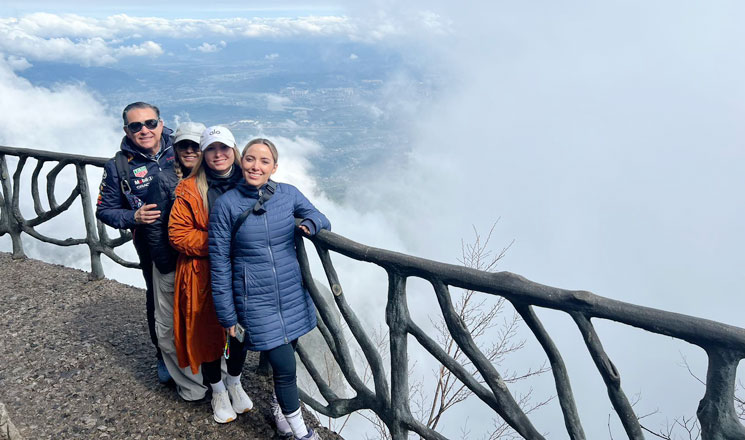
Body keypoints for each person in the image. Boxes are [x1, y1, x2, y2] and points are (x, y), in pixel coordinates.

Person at [208, 138, 330, 440]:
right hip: (255, 301)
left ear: (274, 167)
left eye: (264, 161)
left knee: (285, 359)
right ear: (241, 162)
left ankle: (278, 407)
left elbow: (320, 216)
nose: (255, 166)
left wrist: (309, 225)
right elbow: (219, 262)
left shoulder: (287, 194)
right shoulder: (226, 205)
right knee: (286, 366)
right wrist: (226, 315)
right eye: (250, 159)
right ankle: (300, 433)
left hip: (290, 294)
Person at [168, 126, 253, 423]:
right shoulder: (189, 188)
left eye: (224, 148)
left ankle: (234, 380)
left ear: (234, 151)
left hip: (242, 273)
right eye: (212, 149)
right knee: (206, 335)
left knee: (240, 331)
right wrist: (218, 242)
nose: (219, 155)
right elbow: (178, 235)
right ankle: (217, 389)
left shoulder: (250, 181)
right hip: (201, 274)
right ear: (204, 154)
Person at [96, 101, 175, 383]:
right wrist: (134, 216)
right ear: (127, 131)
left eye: (150, 123)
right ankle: (164, 356)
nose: (144, 130)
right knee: (158, 300)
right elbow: (104, 209)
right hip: (152, 244)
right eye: (136, 126)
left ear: (161, 124)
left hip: (193, 240)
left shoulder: (183, 149)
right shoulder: (118, 166)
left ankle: (199, 354)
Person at [142, 122, 208, 401]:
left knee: (198, 323)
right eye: (184, 145)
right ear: (175, 148)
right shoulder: (163, 179)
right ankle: (189, 384)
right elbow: (154, 228)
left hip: (200, 267)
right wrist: (167, 265)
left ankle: (205, 377)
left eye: (196, 145)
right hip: (172, 263)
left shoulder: (213, 176)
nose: (190, 150)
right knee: (169, 325)